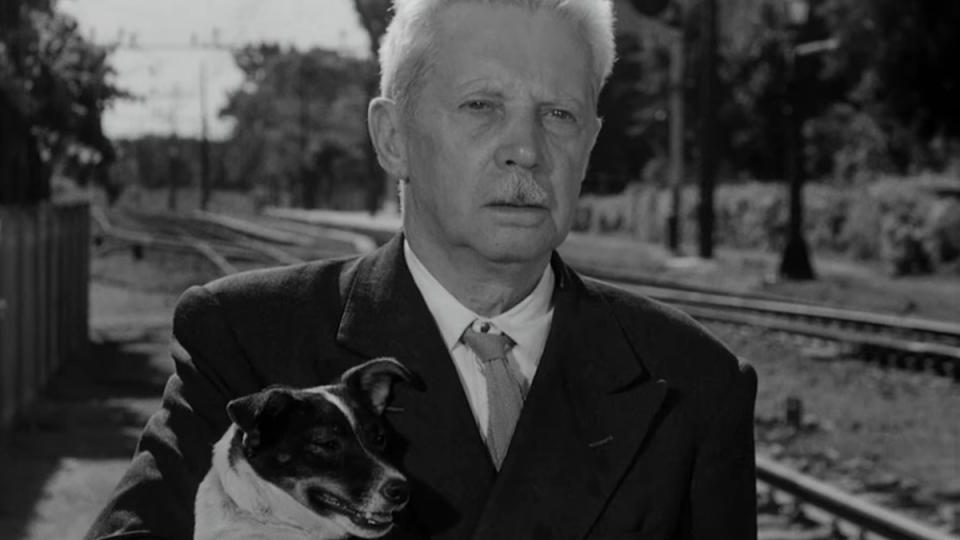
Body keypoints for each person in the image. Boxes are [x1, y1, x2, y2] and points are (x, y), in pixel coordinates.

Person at [85, 0, 758, 538]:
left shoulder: (695, 383)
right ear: (392, 138)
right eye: (481, 106)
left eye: (559, 114)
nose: (525, 149)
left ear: (589, 145)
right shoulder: (244, 337)